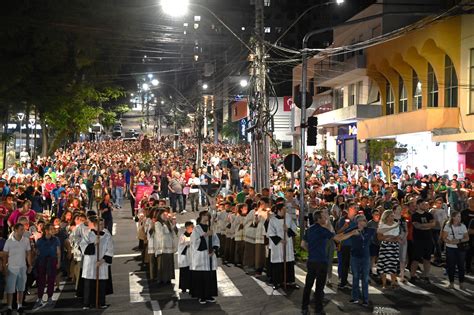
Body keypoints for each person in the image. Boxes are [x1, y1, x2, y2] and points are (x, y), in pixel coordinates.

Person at [300, 211, 337, 315]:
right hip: (321, 261)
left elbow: (303, 244)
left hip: (311, 261)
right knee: (319, 287)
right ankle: (318, 309)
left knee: (308, 285)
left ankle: (304, 307)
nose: (326, 219)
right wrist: (351, 233)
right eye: (324, 217)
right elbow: (337, 238)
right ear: (319, 219)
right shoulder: (323, 230)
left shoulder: (309, 229)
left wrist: (310, 251)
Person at [336, 214, 375, 307]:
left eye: (365, 220)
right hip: (355, 256)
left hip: (365, 257)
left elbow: (380, 231)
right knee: (356, 276)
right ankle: (355, 298)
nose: (364, 222)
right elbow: (340, 237)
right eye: (362, 220)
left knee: (365, 278)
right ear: (358, 222)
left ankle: (365, 299)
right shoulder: (353, 229)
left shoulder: (369, 230)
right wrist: (352, 233)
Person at [80, 216, 114, 310]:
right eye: (100, 224)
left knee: (101, 285)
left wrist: (102, 261)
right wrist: (94, 243)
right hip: (90, 264)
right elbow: (83, 247)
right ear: (95, 225)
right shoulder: (88, 235)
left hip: (101, 264)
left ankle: (101, 302)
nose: (102, 225)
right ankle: (87, 303)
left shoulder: (107, 236)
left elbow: (110, 250)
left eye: (103, 224)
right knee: (89, 285)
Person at [189, 211, 220, 304]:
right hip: (200, 257)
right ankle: (201, 296)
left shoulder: (210, 228)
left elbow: (215, 240)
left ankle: (209, 295)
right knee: (201, 277)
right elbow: (195, 242)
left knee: (209, 276)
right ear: (202, 216)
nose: (208, 218)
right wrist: (206, 235)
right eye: (207, 216)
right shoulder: (196, 229)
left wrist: (213, 250)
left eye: (209, 216)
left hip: (209, 256)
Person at [3, 223, 32, 314]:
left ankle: (19, 306)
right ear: (15, 230)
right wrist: (5, 267)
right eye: (21, 229)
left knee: (21, 288)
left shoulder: (26, 240)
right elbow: (5, 255)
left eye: (23, 229)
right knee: (10, 289)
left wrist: (30, 265)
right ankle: (9, 307)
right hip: (11, 268)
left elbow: (28, 253)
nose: (23, 231)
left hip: (22, 267)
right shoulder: (9, 241)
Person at [267, 203, 298, 290]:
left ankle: (290, 282)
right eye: (284, 209)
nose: (286, 211)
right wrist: (280, 240)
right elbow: (270, 232)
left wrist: (287, 229)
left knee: (289, 263)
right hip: (278, 246)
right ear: (279, 210)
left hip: (287, 244)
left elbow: (295, 229)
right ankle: (276, 282)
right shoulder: (273, 220)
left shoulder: (288, 218)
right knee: (278, 264)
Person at [34, 223, 61, 308]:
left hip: (52, 260)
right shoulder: (39, 240)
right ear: (46, 231)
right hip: (42, 260)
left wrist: (59, 262)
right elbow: (37, 252)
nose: (53, 230)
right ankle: (40, 298)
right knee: (41, 280)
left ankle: (50, 297)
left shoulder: (56, 239)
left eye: (53, 229)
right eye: (51, 229)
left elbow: (58, 252)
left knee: (51, 280)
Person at [442, 211, 469, 289]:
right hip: (450, 248)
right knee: (451, 266)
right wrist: (450, 242)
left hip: (461, 249)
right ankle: (451, 283)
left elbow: (467, 238)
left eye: (460, 216)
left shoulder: (463, 226)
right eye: (458, 216)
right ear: (453, 217)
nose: (460, 218)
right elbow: (444, 238)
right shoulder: (448, 226)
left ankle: (461, 283)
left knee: (461, 266)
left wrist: (459, 241)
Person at [410, 200, 435, 282]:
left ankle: (426, 276)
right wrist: (427, 226)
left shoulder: (429, 215)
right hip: (418, 240)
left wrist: (423, 226)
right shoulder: (414, 215)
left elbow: (433, 224)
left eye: (425, 204)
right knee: (415, 259)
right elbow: (417, 226)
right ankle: (412, 276)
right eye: (422, 204)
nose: (425, 205)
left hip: (428, 239)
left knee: (427, 259)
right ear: (417, 205)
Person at [377, 210, 401, 289]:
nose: (393, 217)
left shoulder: (396, 224)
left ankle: (393, 283)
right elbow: (379, 237)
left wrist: (390, 238)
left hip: (394, 247)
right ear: (386, 217)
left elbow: (397, 237)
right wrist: (389, 237)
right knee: (383, 265)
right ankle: (384, 284)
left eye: (393, 215)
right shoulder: (382, 225)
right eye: (391, 215)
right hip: (385, 247)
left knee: (393, 265)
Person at [178, 221, 194, 293]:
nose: (193, 228)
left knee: (190, 272)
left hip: (191, 257)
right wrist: (187, 243)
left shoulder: (193, 235)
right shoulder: (182, 236)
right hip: (184, 257)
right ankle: (183, 287)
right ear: (187, 227)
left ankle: (191, 286)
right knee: (184, 272)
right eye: (192, 227)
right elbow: (181, 246)